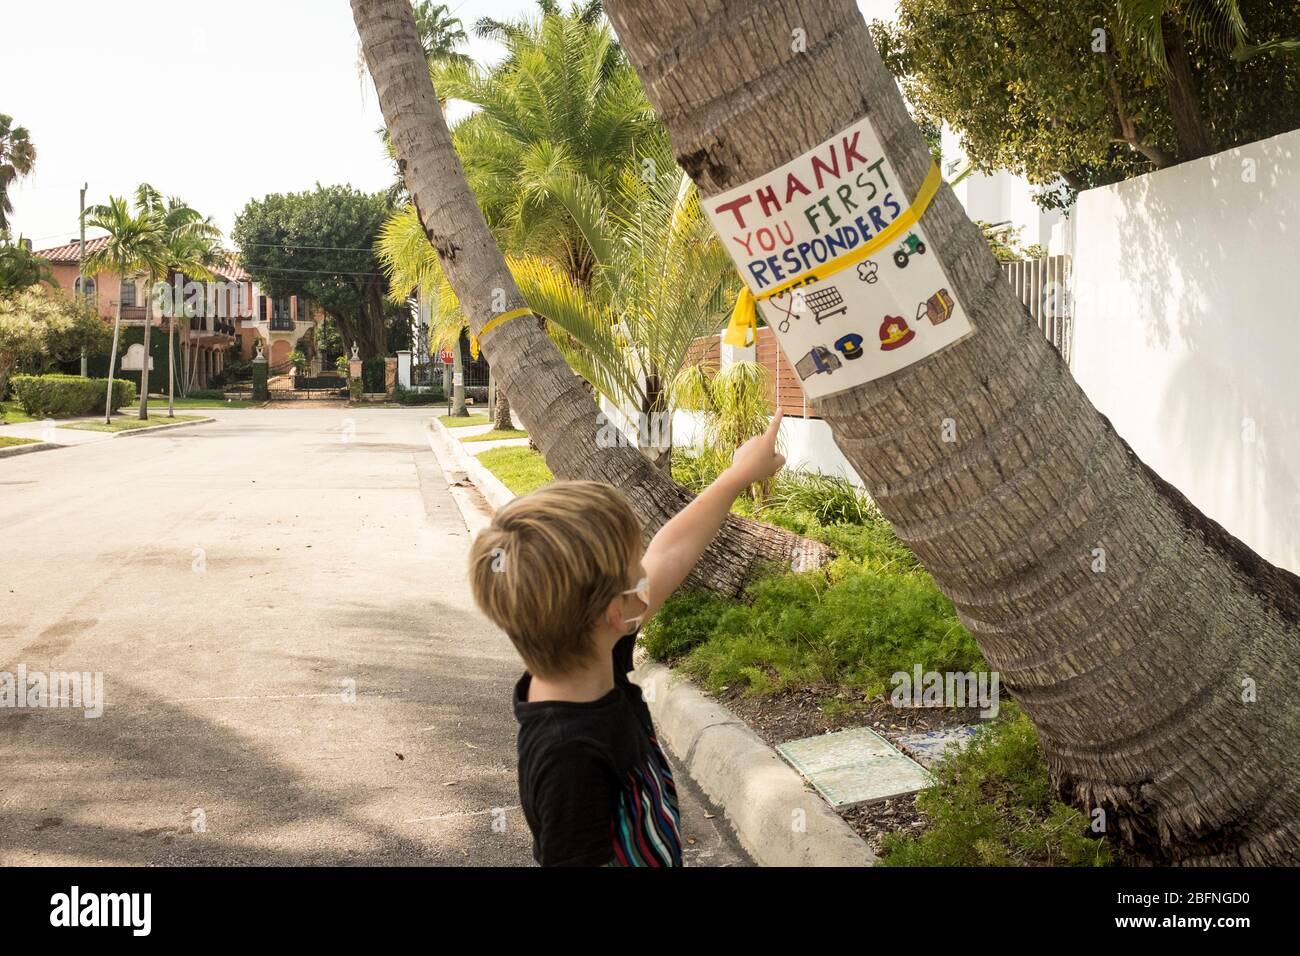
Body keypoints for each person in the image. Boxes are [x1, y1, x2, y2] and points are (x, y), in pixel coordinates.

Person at [469, 412, 787, 866]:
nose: (647, 567)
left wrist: (737, 476)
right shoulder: (568, 757)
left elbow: (671, 552)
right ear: (618, 611)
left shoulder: (591, 650)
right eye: (636, 562)